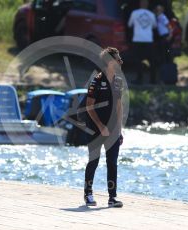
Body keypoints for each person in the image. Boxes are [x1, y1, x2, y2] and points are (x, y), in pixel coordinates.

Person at [84, 47, 124, 208]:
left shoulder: (118, 81)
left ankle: (112, 197)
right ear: (109, 62)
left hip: (113, 129)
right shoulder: (96, 81)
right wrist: (101, 127)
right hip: (95, 128)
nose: (121, 61)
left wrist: (119, 130)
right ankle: (88, 193)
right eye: (117, 58)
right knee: (94, 159)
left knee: (112, 162)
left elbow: (119, 107)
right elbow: (89, 106)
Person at [128, 0, 157, 84]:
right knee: (151, 61)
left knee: (138, 61)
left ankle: (139, 79)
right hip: (148, 40)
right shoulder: (151, 14)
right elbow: (155, 26)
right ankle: (153, 80)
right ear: (147, 5)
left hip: (137, 39)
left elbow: (130, 24)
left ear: (140, 4)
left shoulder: (134, 13)